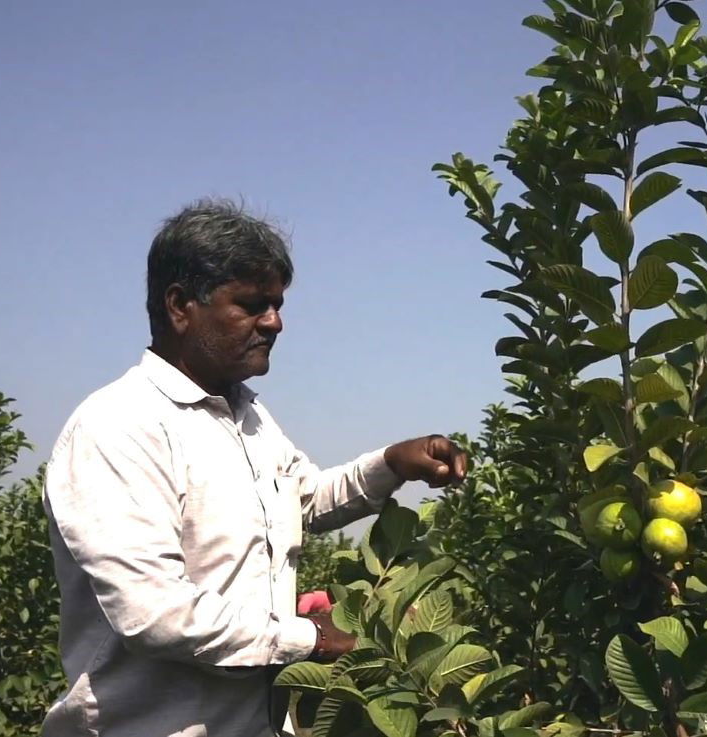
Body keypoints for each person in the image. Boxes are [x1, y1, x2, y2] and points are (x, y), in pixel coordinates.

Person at [40, 200, 467, 737]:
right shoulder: (119, 426)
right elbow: (154, 613)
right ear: (179, 306)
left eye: (277, 304)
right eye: (251, 304)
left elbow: (305, 498)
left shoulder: (249, 417)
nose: (275, 322)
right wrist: (313, 638)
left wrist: (391, 464)